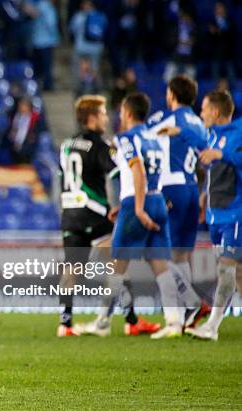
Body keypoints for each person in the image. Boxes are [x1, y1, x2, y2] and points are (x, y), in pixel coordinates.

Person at [56, 95, 159, 337]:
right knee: (117, 264)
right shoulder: (101, 146)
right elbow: (119, 173)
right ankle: (131, 321)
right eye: (102, 113)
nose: (107, 118)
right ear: (92, 118)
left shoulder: (66, 144)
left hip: (69, 214)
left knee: (71, 269)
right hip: (95, 214)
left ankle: (65, 324)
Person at [109, 92, 183, 339]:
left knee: (117, 265)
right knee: (160, 264)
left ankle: (101, 322)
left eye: (121, 111)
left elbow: (137, 171)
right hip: (157, 199)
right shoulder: (154, 137)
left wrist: (137, 207)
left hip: (137, 202)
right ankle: (174, 322)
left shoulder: (125, 138)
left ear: (128, 113)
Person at [145, 75, 211, 329]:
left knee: (159, 252)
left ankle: (182, 311)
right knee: (181, 255)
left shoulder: (167, 119)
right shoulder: (198, 121)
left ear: (171, 94)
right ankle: (186, 316)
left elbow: (142, 137)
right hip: (191, 189)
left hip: (169, 188)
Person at [187, 91, 241, 340]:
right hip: (215, 214)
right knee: (237, 273)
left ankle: (212, 326)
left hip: (235, 214)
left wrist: (223, 155)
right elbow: (213, 174)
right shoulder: (211, 135)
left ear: (216, 112)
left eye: (204, 109)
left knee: (226, 269)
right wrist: (202, 196)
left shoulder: (238, 131)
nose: (201, 113)